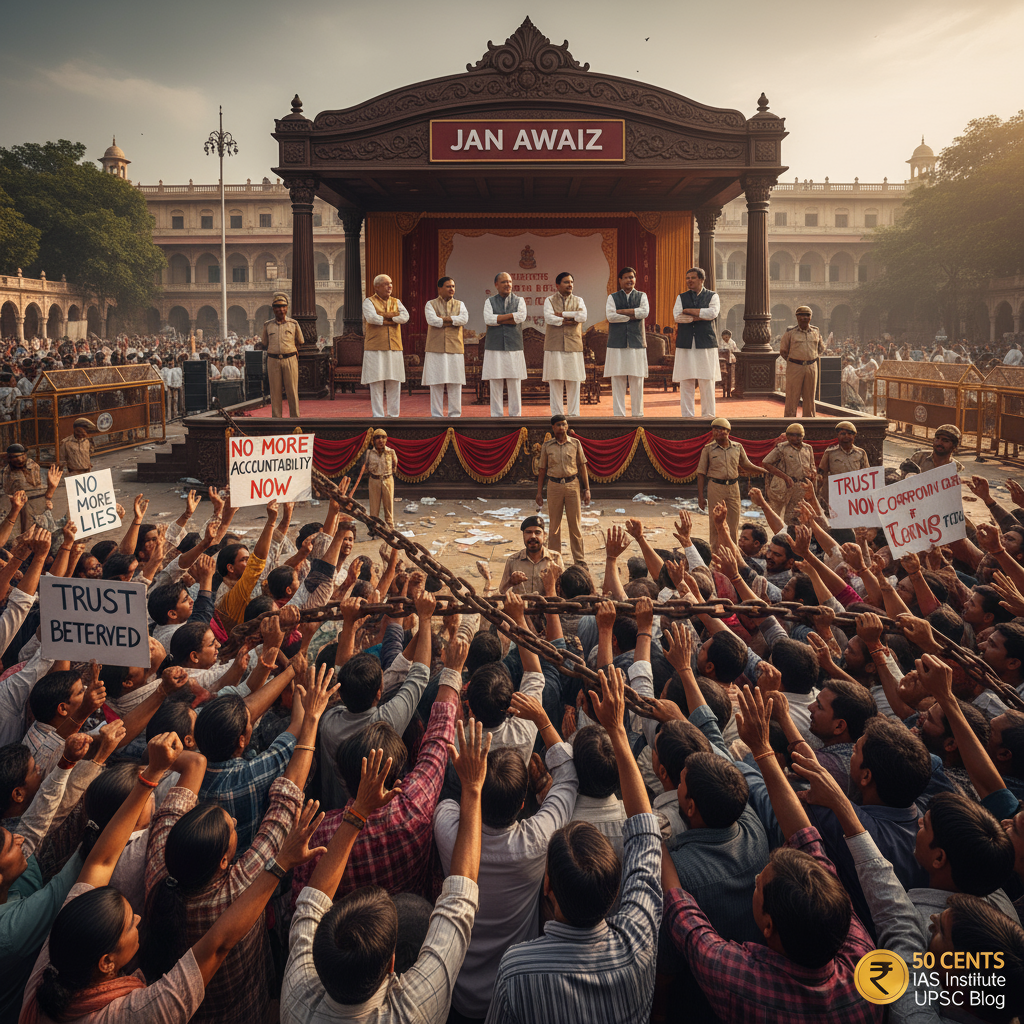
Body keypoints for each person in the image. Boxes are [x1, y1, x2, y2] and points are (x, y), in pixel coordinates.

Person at [486, 668, 662, 1024]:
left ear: (548, 886)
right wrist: (617, 731)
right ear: (616, 887)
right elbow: (645, 832)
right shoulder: (639, 942)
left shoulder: (518, 969)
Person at [696, 417, 760, 548]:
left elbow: (746, 464)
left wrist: (763, 470)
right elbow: (701, 473)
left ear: (727, 431)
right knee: (715, 522)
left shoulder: (737, 447)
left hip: (733, 488)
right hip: (716, 487)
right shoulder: (708, 449)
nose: (716, 433)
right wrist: (701, 497)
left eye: (719, 430)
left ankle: (733, 552)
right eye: (714, 430)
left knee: (733, 522)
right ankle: (715, 552)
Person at [536, 414, 590, 567]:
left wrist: (587, 489)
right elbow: (542, 470)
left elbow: (582, 466)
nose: (561, 428)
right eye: (558, 425)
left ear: (567, 426)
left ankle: (579, 560)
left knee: (575, 525)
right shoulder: (547, 446)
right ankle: (554, 558)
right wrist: (539, 492)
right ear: (553, 428)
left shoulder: (575, 443)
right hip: (554, 487)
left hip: (573, 485)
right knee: (554, 526)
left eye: (564, 424)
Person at [672, 267, 722, 418]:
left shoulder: (713, 296)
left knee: (707, 380)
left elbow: (712, 313)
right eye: (687, 278)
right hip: (686, 343)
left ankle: (708, 416)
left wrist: (689, 311)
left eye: (693, 278)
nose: (689, 281)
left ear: (701, 280)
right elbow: (677, 317)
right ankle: (687, 416)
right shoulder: (681, 297)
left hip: (705, 342)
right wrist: (701, 315)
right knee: (686, 380)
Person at [362, 274, 409, 419]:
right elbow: (372, 318)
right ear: (376, 287)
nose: (390, 286)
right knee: (376, 382)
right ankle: (378, 415)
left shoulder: (397, 301)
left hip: (394, 346)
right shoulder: (368, 302)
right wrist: (393, 318)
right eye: (385, 284)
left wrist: (384, 317)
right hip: (375, 347)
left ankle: (394, 414)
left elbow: (405, 317)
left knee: (394, 381)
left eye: (391, 283)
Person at [604, 267, 649, 418]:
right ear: (620, 280)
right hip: (617, 343)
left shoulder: (642, 296)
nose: (630, 280)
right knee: (617, 379)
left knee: (637, 380)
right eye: (626, 277)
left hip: (636, 342)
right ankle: (619, 415)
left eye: (632, 277)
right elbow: (610, 317)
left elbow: (644, 313)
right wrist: (633, 314)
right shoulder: (612, 297)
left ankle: (638, 414)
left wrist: (621, 312)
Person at [482, 272, 527, 418]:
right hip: (494, 346)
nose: (508, 284)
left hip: (514, 345)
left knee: (514, 381)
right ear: (496, 285)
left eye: (509, 282)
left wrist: (499, 319)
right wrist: (510, 317)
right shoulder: (489, 301)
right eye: (504, 282)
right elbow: (488, 319)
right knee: (495, 380)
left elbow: (520, 317)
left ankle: (515, 414)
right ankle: (496, 415)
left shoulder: (519, 300)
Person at [542, 272, 587, 417]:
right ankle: (557, 416)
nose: (570, 285)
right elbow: (549, 318)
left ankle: (574, 415)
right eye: (566, 282)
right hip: (554, 345)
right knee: (555, 382)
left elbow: (582, 317)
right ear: (557, 285)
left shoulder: (579, 300)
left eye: (571, 282)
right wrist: (571, 317)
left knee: (574, 381)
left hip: (573, 345)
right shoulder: (549, 300)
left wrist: (561, 315)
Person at [422, 276, 468, 418]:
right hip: (435, 348)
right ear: (440, 288)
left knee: (455, 382)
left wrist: (443, 319)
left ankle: (455, 415)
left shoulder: (460, 304)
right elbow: (432, 320)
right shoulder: (430, 304)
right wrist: (453, 320)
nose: (452, 289)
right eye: (448, 286)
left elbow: (464, 319)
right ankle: (436, 415)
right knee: (436, 382)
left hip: (455, 347)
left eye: (453, 286)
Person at [762, 423, 816, 525]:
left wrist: (813, 471)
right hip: (783, 485)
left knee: (794, 514)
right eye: (792, 435)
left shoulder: (808, 448)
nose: (796, 438)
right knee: (776, 513)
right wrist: (785, 477)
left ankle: (792, 536)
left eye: (799, 435)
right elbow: (766, 463)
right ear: (787, 436)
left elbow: (812, 465)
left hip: (800, 485)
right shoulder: (781, 448)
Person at [259, 292, 303, 418]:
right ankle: (276, 420)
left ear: (287, 308)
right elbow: (265, 343)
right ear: (273, 309)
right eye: (278, 307)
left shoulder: (293, 324)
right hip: (273, 360)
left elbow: (299, 342)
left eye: (283, 306)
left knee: (292, 391)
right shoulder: (267, 325)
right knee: (275, 392)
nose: (281, 309)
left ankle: (295, 420)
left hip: (290, 359)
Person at [498, 515, 564, 596]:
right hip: (520, 608)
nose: (533, 536)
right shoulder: (513, 560)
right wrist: (511, 582)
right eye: (528, 532)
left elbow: (564, 593)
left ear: (544, 536)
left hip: (548, 607)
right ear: (523, 535)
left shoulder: (555, 559)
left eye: (537, 532)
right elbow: (501, 593)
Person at [779, 305, 826, 417]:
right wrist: (795, 361)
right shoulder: (790, 333)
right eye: (801, 315)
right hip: (795, 366)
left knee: (810, 397)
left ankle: (809, 423)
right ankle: (789, 423)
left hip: (811, 366)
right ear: (797, 317)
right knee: (792, 396)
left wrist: (810, 358)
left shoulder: (815, 331)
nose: (804, 318)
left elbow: (821, 348)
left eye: (807, 315)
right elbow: (783, 351)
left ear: (811, 317)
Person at [351, 428, 399, 533]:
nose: (380, 440)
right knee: (374, 506)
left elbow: (395, 465)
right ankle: (374, 529)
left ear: (386, 439)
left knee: (389, 506)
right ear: (373, 440)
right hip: (374, 480)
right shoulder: (369, 453)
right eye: (377, 438)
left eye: (383, 437)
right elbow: (365, 467)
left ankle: (390, 528)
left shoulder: (391, 452)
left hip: (387, 480)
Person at [816, 421, 869, 505]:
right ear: (838, 435)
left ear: (854, 436)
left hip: (854, 493)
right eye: (843, 433)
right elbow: (822, 473)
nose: (846, 436)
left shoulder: (861, 453)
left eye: (850, 434)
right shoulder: (830, 452)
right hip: (836, 493)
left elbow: (866, 474)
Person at [2, 444, 43, 533]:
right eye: (14, 457)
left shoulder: (33, 466)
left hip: (34, 497)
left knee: (40, 521)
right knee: (25, 523)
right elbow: (7, 489)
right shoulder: (8, 471)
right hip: (20, 500)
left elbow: (37, 483)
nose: (19, 459)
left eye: (22, 456)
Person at [719, 329, 738, 398]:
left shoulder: (732, 343)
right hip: (722, 361)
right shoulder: (720, 342)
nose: (725, 339)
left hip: (730, 361)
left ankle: (729, 389)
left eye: (727, 337)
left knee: (730, 375)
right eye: (724, 337)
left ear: (730, 337)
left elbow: (735, 351)